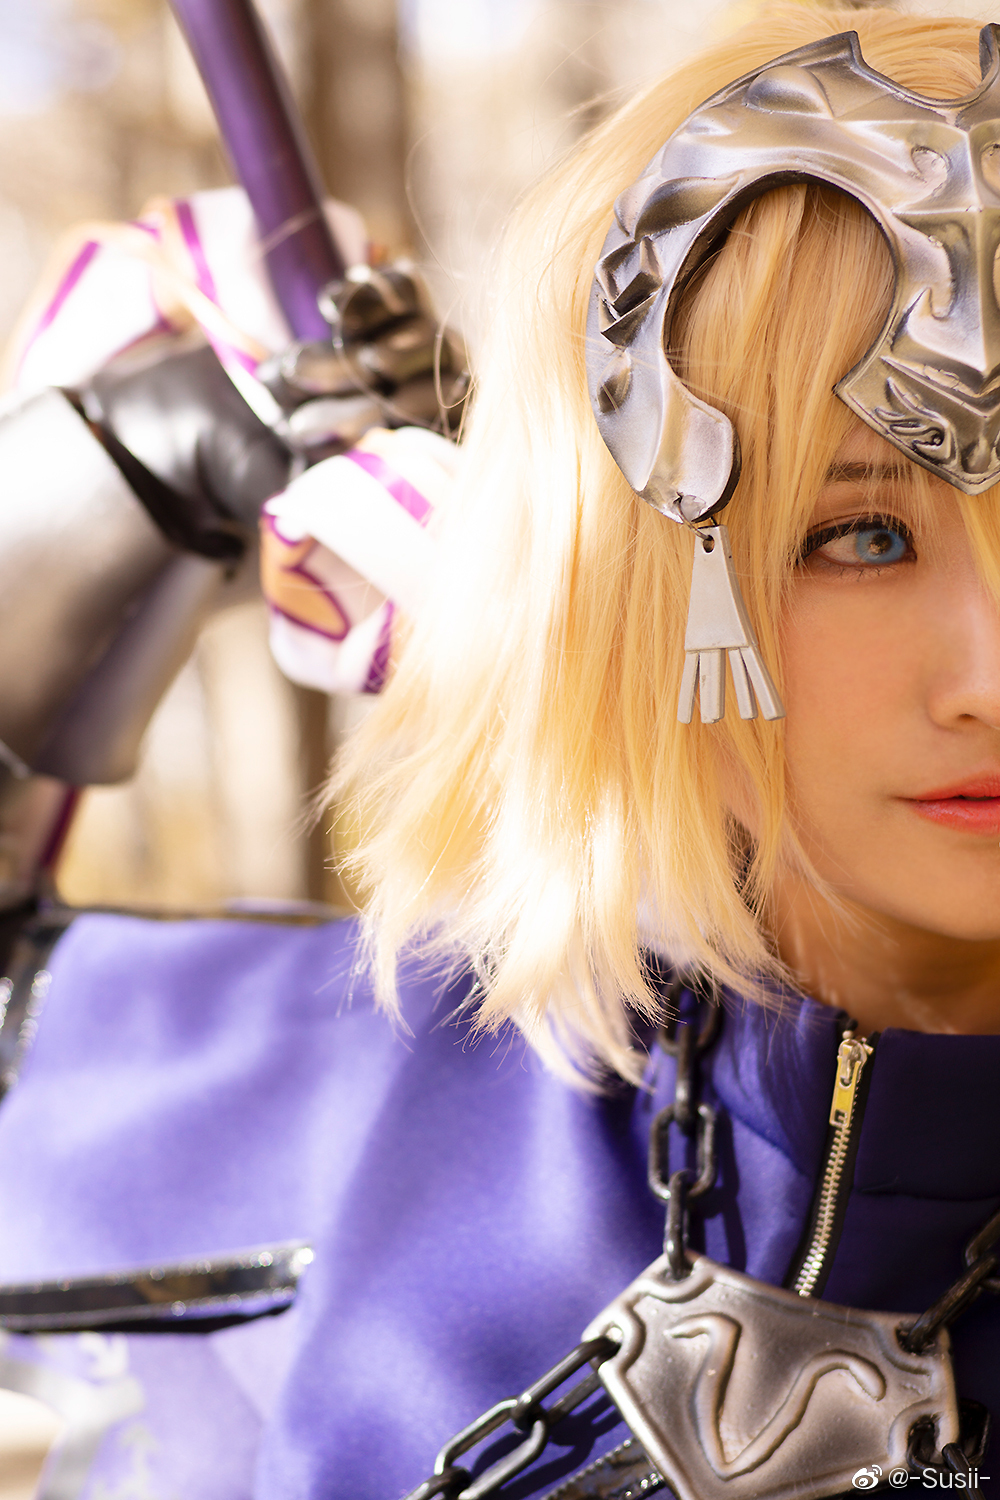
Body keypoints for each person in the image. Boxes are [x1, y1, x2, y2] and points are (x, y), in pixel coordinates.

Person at [0, 3, 998, 1499]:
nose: (988, 679)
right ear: (646, 578)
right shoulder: (381, 1077)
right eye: (856, 534)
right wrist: (107, 476)